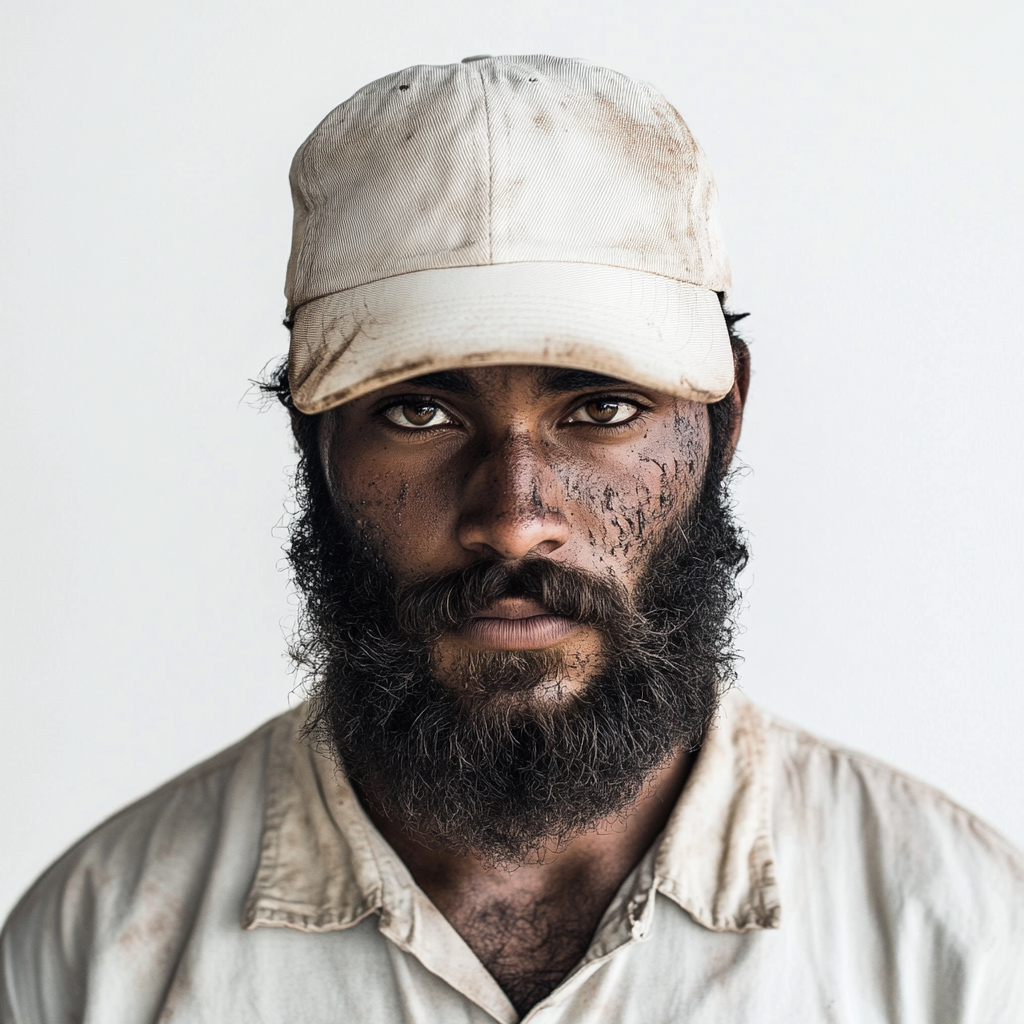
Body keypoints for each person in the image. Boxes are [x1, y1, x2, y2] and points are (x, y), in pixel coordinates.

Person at [2, 54, 1022, 1024]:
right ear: (314, 442)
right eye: (418, 413)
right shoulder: (95, 954)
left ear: (723, 420)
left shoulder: (962, 944)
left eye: (604, 408)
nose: (515, 515)